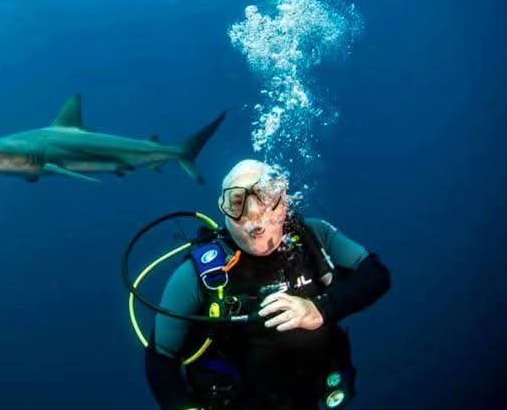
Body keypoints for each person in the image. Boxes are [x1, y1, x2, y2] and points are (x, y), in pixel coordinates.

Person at [144, 159, 391, 410]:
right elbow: (160, 357)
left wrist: (320, 309)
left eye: (264, 197)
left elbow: (376, 274)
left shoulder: (315, 237)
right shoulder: (199, 273)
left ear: (283, 201)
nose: (253, 215)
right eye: (237, 203)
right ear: (224, 210)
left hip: (313, 395)